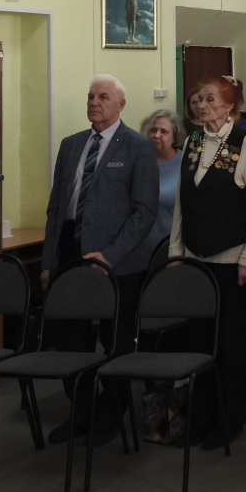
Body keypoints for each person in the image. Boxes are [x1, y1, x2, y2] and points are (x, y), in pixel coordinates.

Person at [41, 76, 159, 444]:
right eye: (91, 96)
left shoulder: (139, 147)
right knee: (70, 340)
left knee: (116, 341)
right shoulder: (71, 144)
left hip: (118, 260)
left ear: (121, 105)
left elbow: (144, 213)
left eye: (103, 96)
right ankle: (81, 410)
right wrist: (48, 261)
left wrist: (109, 256)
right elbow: (56, 208)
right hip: (71, 253)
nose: (94, 102)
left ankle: (111, 414)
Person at [170, 74, 246, 448]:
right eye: (197, 99)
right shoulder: (192, 141)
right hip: (196, 258)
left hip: (232, 260)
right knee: (199, 342)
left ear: (229, 106)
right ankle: (201, 417)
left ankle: (229, 420)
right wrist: (176, 251)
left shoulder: (245, 142)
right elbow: (182, 202)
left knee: (230, 345)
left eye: (210, 99)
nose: (201, 105)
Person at [139, 109, 183, 267]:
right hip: (138, 249)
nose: (157, 135)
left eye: (164, 131)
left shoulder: (186, 163)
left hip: (171, 250)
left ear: (174, 137)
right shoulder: (139, 161)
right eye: (153, 130)